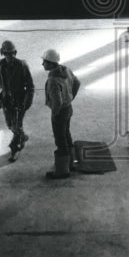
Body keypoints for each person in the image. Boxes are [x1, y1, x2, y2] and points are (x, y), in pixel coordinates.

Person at [0, 39, 35, 162]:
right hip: (6, 100)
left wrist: (27, 102)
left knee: (17, 124)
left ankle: (14, 148)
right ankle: (21, 136)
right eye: (7, 53)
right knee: (10, 124)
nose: (10, 56)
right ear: (2, 53)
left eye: (12, 53)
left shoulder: (22, 65)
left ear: (15, 52)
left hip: (19, 100)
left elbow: (30, 86)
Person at [41, 47, 81, 180]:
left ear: (51, 63)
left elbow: (57, 101)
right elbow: (77, 83)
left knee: (60, 138)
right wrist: (70, 98)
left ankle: (62, 171)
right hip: (68, 108)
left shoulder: (53, 80)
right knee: (66, 134)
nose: (43, 64)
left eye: (45, 62)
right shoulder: (66, 70)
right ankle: (71, 163)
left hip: (60, 112)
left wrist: (56, 112)